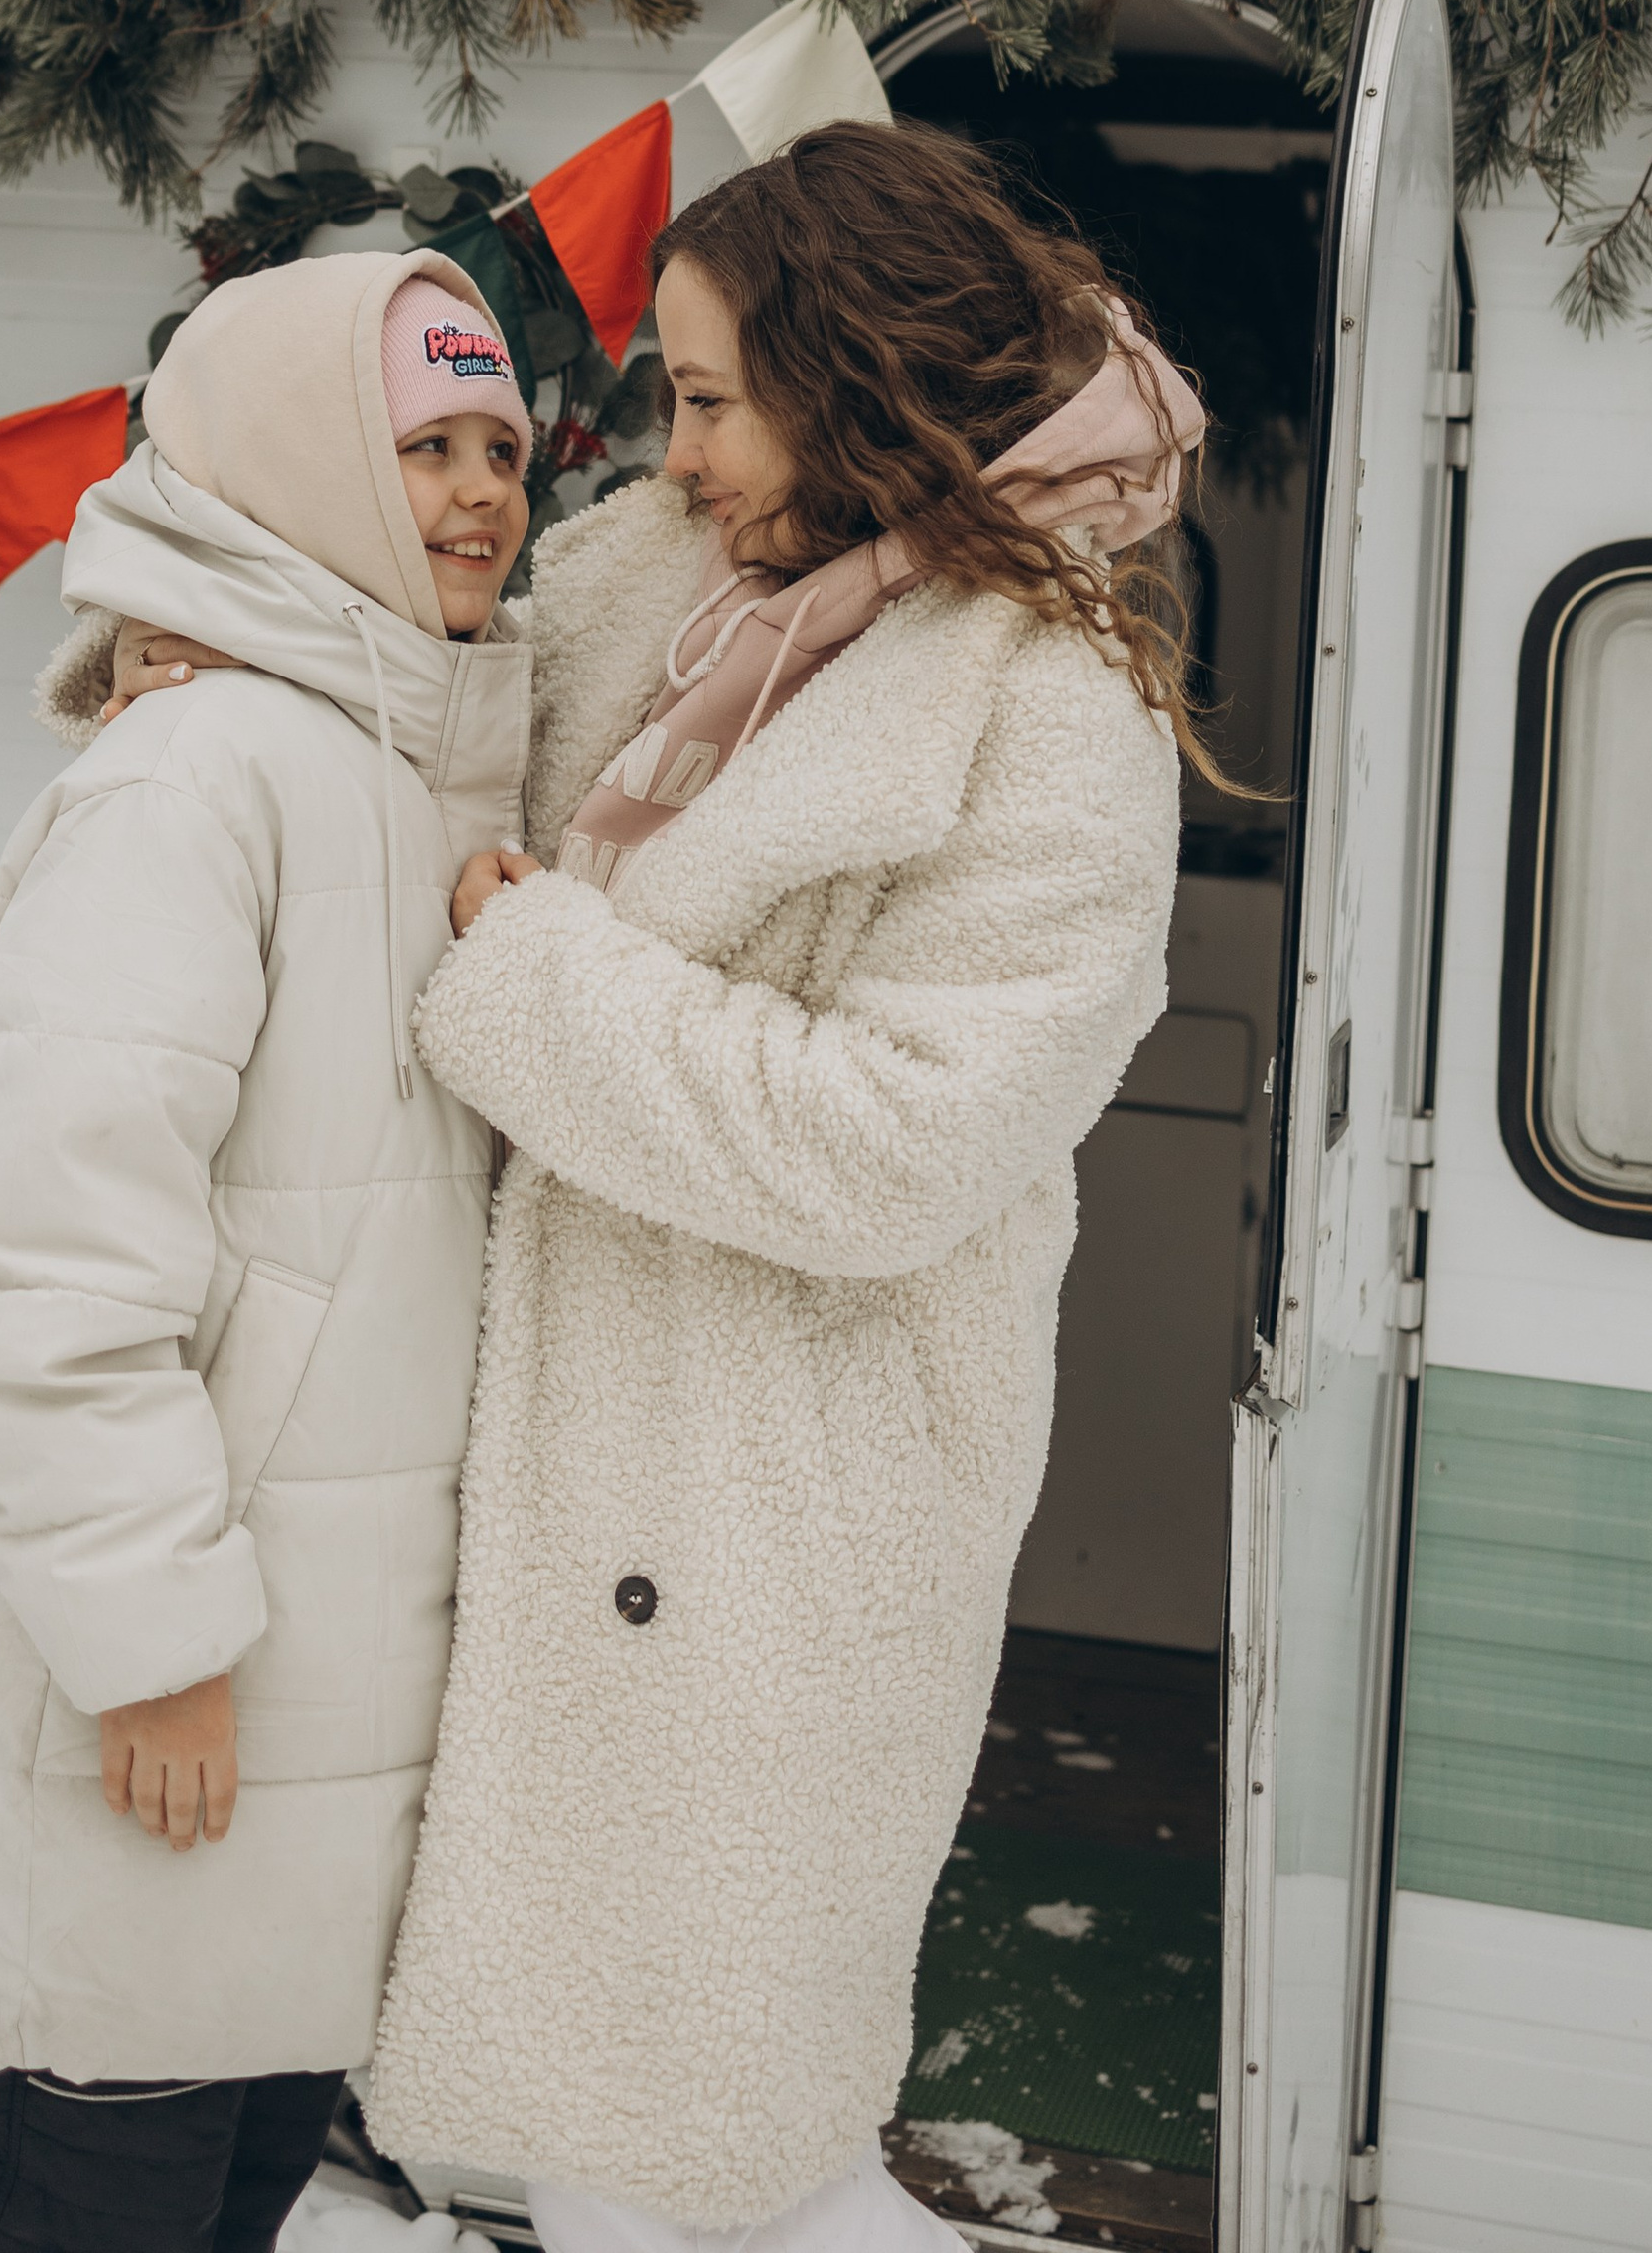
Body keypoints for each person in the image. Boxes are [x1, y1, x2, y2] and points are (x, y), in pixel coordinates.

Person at [358, 119, 1204, 2253]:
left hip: (774, 1508)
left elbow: (888, 1148)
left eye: (714, 397)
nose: (669, 451)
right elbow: (429, 710)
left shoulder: (1051, 710)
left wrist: (528, 970)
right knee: (615, 2129)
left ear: (854, 378)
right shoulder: (674, 586)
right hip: (564, 1438)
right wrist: (197, 661)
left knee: (690, 2134)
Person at [0, 252, 535, 2253]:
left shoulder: (391, 779)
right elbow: (44, 1259)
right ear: (291, 467)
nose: (478, 491)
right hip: (160, 1714)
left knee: (215, 2192)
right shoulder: (193, 779)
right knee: (76, 2189)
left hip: (294, 1749)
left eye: (503, 447)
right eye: (417, 445)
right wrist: (150, 1644)